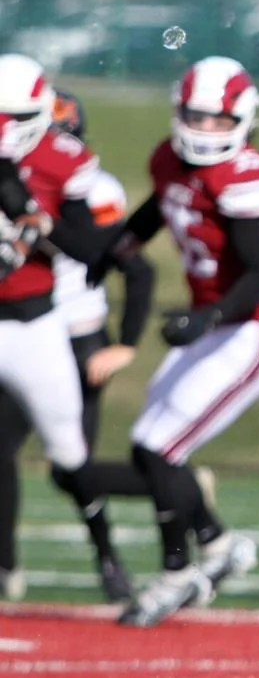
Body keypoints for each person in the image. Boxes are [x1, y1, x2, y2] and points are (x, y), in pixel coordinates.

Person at [90, 56, 259, 627]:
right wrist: (118, 248)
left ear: (244, 120)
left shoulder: (245, 174)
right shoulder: (167, 159)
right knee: (146, 447)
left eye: (217, 120)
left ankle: (177, 574)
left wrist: (208, 318)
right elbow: (161, 204)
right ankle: (219, 546)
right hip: (212, 324)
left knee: (161, 449)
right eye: (196, 117)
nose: (204, 130)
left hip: (248, 331)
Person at [0, 89, 155, 603]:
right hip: (23, 324)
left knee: (71, 465)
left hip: (69, 331)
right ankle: (6, 566)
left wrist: (125, 343)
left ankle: (113, 550)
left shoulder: (90, 186)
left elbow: (120, 259)